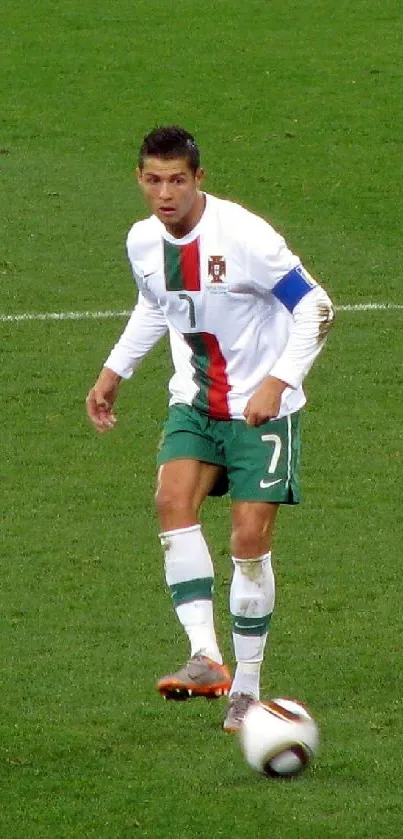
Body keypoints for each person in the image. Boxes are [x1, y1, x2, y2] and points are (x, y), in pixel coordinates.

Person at [86, 125, 334, 732]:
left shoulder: (246, 237)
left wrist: (277, 382)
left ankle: (246, 686)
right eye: (153, 180)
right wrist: (115, 370)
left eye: (176, 179)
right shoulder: (143, 242)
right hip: (194, 403)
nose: (164, 193)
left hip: (262, 410)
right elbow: (156, 303)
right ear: (140, 181)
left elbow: (317, 307)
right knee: (171, 500)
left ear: (199, 179)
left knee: (248, 544)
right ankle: (206, 656)